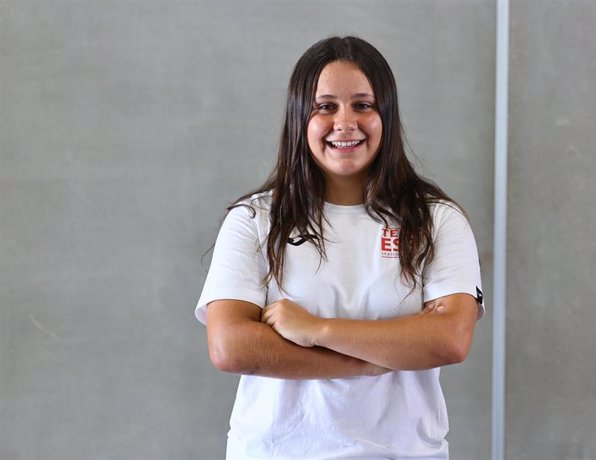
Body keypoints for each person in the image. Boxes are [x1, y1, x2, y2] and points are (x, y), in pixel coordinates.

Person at [195, 36, 484, 459]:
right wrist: (370, 360)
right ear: (300, 118)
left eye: (363, 105)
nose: (345, 122)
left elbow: (449, 339)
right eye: (325, 106)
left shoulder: (437, 219)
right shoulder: (254, 219)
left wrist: (316, 330)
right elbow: (232, 347)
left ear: (386, 114)